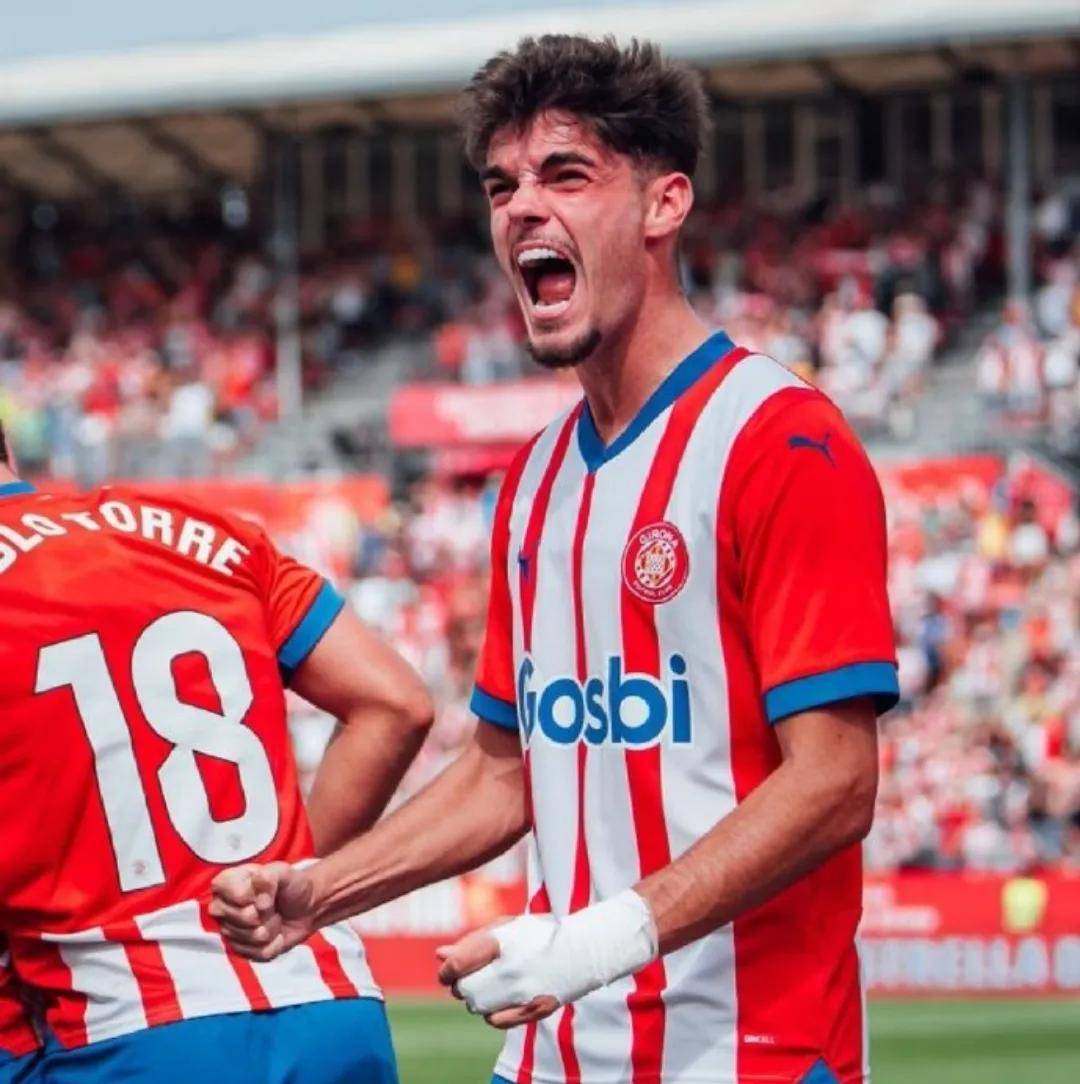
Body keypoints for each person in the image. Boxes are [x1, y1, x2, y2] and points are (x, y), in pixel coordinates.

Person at [212, 35, 898, 1084]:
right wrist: (324, 889)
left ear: (665, 203)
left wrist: (595, 942)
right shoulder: (534, 481)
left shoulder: (779, 440)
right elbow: (506, 771)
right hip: (549, 1054)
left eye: (565, 175)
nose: (522, 208)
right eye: (502, 186)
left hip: (745, 1055)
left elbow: (838, 781)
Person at [0, 420, 433, 1083]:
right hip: (328, 1000)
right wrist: (279, 890)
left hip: (124, 1029)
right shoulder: (191, 529)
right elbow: (396, 703)